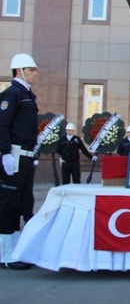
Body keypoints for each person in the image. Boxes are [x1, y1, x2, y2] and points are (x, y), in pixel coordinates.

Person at [0, 53, 40, 270]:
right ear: (19, 71)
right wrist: (5, 152)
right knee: (9, 203)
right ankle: (5, 254)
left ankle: (15, 250)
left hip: (25, 156)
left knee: (24, 201)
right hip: (13, 155)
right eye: (32, 69)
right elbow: (2, 125)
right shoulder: (12, 94)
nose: (35, 73)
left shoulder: (26, 94)